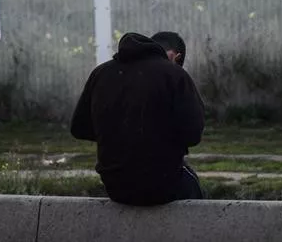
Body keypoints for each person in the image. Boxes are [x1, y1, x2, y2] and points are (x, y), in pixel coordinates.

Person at [70, 31, 205, 206]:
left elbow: (79, 128)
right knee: (191, 184)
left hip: (115, 187)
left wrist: (116, 133)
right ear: (176, 57)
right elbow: (193, 135)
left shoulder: (101, 73)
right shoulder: (174, 75)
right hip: (163, 186)